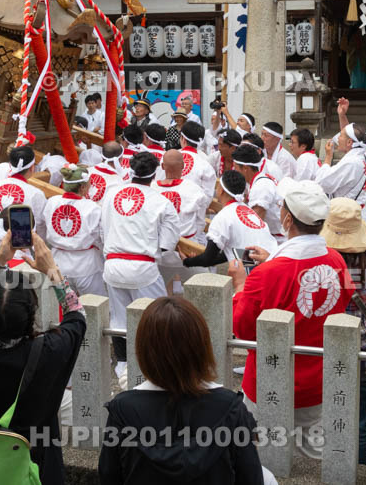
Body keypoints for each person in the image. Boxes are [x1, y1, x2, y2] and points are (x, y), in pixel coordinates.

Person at [231, 179, 354, 459]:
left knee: (261, 457)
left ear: (286, 219)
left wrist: (240, 286)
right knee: (314, 460)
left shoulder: (263, 275)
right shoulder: (337, 261)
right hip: (319, 380)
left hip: (268, 380)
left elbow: (244, 330)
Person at [0, 230, 85, 485]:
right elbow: (77, 316)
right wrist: (52, 270)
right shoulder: (48, 351)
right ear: (31, 312)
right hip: (36, 471)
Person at [98, 296, 273, 485]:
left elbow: (109, 476)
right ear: (202, 347)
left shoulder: (123, 409)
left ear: (144, 350)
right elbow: (251, 478)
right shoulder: (230, 408)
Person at [101, 151, 181, 380]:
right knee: (156, 317)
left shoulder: (110, 194)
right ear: (155, 173)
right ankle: (156, 364)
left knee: (118, 318)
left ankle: (122, 366)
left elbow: (101, 230)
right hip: (143, 267)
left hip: (113, 264)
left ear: (130, 169)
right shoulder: (161, 202)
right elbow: (168, 244)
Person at [320, 198, 366, 466]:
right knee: (361, 422)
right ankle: (360, 470)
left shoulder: (321, 264)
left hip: (328, 350)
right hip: (365, 352)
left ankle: (333, 465)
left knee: (329, 415)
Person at [181, 171, 277, 270]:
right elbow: (230, 253)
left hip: (259, 267)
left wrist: (187, 261)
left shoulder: (223, 217)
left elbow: (208, 258)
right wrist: (196, 260)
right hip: (273, 260)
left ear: (221, 190)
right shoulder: (247, 210)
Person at [43, 164, 106, 297]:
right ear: (82, 187)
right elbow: (101, 239)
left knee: (61, 309)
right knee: (95, 307)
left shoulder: (51, 202)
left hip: (57, 263)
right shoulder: (93, 208)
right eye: (89, 184)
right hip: (86, 265)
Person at [155, 150, 211, 291]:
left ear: (162, 166)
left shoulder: (152, 189)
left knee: (159, 294)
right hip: (188, 249)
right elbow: (200, 222)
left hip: (161, 251)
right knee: (207, 289)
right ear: (183, 166)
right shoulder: (194, 189)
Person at [0, 146, 47, 256]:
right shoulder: (35, 194)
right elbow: (40, 226)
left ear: (10, 165)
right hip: (17, 253)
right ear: (32, 168)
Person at [233, 144, 284, 240]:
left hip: (277, 240)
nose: (234, 171)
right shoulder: (258, 180)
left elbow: (255, 225)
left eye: (235, 168)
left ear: (245, 168)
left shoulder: (261, 186)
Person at [317, 123, 366, 203]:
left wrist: (328, 157)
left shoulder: (351, 162)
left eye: (340, 135)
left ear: (349, 142)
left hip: (347, 211)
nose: (337, 138)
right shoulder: (363, 156)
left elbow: (322, 183)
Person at [178, 121, 217, 199]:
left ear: (183, 139)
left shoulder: (169, 157)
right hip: (196, 209)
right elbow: (208, 195)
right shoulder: (205, 162)